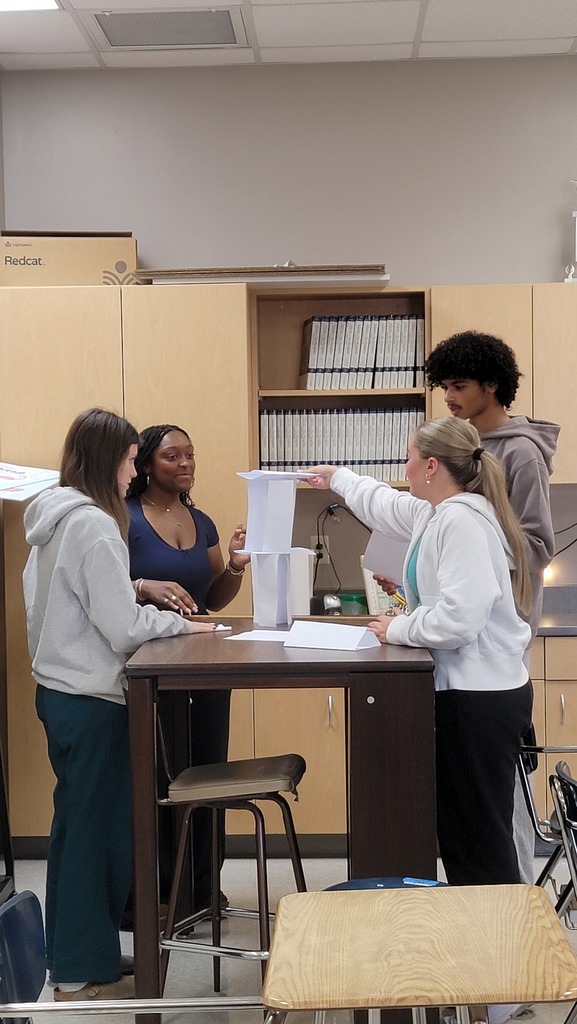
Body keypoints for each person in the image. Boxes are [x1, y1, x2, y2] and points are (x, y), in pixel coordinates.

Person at [22, 408, 216, 1002]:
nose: (135, 471)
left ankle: (92, 957)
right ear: (111, 458)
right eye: (133, 458)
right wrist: (182, 626)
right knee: (89, 835)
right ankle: (78, 973)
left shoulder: (56, 518)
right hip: (90, 696)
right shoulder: (96, 525)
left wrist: (133, 588)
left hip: (60, 690)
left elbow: (78, 593)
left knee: (94, 831)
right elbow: (121, 626)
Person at [305, 415, 533, 888]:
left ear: (430, 466)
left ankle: (502, 951)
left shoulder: (460, 521)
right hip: (473, 693)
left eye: (408, 457)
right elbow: (384, 504)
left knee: (480, 841)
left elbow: (460, 619)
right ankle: (483, 944)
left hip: (478, 699)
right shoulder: (438, 511)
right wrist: (337, 479)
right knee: (465, 834)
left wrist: (399, 627)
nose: (402, 466)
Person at [424, 330, 560, 883]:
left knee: (500, 801)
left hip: (496, 646)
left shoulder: (519, 453)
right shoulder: (459, 448)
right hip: (464, 644)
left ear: (491, 385)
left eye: (459, 386)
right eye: (443, 386)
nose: (449, 396)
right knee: (472, 804)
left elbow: (535, 545)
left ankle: (517, 909)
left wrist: (476, 559)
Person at [126, 423, 250, 913]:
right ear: (145, 465)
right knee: (161, 779)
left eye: (190, 456)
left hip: (204, 663)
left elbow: (212, 599)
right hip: (151, 664)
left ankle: (202, 886)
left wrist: (237, 567)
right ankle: (157, 892)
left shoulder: (202, 522)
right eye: (171, 456)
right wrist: (142, 584)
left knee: (208, 775)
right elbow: (110, 583)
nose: (185, 464)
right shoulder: (127, 517)